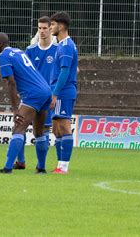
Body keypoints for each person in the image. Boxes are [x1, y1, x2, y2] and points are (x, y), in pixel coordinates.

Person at [0, 32, 51, 174]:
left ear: (0, 44)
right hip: (45, 91)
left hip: (33, 94)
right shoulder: (17, 51)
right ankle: (41, 168)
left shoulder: (3, 56)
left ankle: (7, 168)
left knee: (18, 128)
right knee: (39, 131)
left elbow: (11, 83)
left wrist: (15, 109)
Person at [13, 16, 57, 170]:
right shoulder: (31, 50)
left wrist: (54, 94)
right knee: (20, 125)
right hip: (30, 95)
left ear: (51, 29)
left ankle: (41, 165)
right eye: (40, 28)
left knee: (43, 130)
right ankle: (21, 161)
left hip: (48, 96)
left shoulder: (57, 50)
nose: (42, 31)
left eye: (45, 28)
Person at [49, 12, 78, 174]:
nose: (51, 27)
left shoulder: (66, 46)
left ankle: (64, 166)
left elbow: (65, 72)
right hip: (60, 91)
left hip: (63, 92)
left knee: (64, 127)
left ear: (61, 26)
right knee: (56, 129)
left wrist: (55, 93)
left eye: (53, 24)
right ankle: (60, 164)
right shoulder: (62, 45)